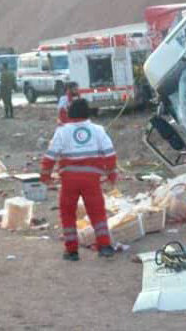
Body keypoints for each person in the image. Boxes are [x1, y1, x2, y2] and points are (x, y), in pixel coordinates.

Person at [41, 98, 116, 261]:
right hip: (92, 180)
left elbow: (50, 156)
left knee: (67, 214)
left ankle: (72, 251)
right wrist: (111, 175)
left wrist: (45, 175)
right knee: (97, 213)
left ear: (71, 112)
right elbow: (110, 153)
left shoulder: (62, 131)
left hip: (69, 181)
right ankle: (104, 246)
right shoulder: (98, 130)